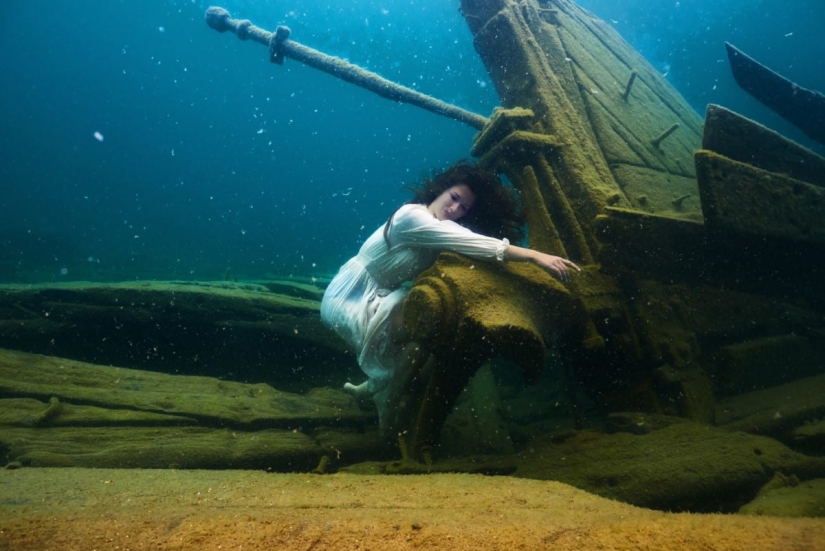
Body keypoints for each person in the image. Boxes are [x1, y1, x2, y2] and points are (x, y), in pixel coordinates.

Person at [320, 160, 580, 431]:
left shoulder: (439, 227)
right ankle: (387, 397)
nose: (454, 209)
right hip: (348, 296)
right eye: (453, 198)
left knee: (424, 331)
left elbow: (464, 240)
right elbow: (469, 241)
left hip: (382, 296)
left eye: (464, 208)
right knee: (422, 331)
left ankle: (374, 387)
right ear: (440, 190)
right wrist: (534, 256)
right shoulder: (412, 216)